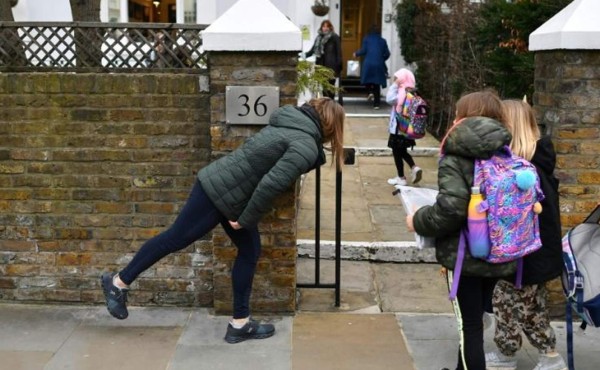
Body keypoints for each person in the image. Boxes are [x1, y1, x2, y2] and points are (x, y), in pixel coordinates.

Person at [100, 98, 345, 344]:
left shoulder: (291, 124)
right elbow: (271, 184)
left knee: (249, 251)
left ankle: (240, 323)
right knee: (176, 238)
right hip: (219, 192)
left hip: (229, 194)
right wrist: (245, 219)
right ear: (332, 126)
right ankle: (118, 282)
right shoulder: (303, 144)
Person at [406, 91, 516, 370]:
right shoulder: (504, 151)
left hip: (465, 254)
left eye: (457, 113)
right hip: (501, 249)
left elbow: (450, 211)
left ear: (464, 117)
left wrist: (417, 219)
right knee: (474, 318)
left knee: (469, 327)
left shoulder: (456, 155)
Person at [485, 100, 566, 370]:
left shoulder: (525, 171)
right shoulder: (534, 164)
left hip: (526, 252)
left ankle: (538, 356)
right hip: (532, 251)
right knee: (522, 304)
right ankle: (531, 354)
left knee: (514, 304)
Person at [385, 68, 423, 186]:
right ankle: (413, 167)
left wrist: (395, 85)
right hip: (408, 127)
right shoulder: (412, 92)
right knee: (401, 151)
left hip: (399, 127)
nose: (395, 80)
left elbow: (389, 99)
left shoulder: (401, 92)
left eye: (397, 78)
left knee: (397, 151)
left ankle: (401, 177)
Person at [353, 25, 390, 109]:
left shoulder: (367, 39)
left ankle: (370, 91)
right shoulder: (383, 41)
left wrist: (356, 53)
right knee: (377, 84)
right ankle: (376, 104)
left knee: (366, 79)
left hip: (368, 63)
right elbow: (387, 53)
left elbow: (364, 50)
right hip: (379, 64)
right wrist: (382, 59)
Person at [305, 20, 343, 101]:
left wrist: (339, 67)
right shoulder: (318, 37)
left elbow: (339, 53)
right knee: (323, 88)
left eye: (327, 26)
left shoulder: (334, 37)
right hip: (321, 66)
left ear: (330, 27)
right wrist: (302, 55)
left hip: (331, 67)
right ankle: (326, 105)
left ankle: (330, 104)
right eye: (323, 26)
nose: (325, 28)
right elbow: (312, 51)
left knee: (330, 88)